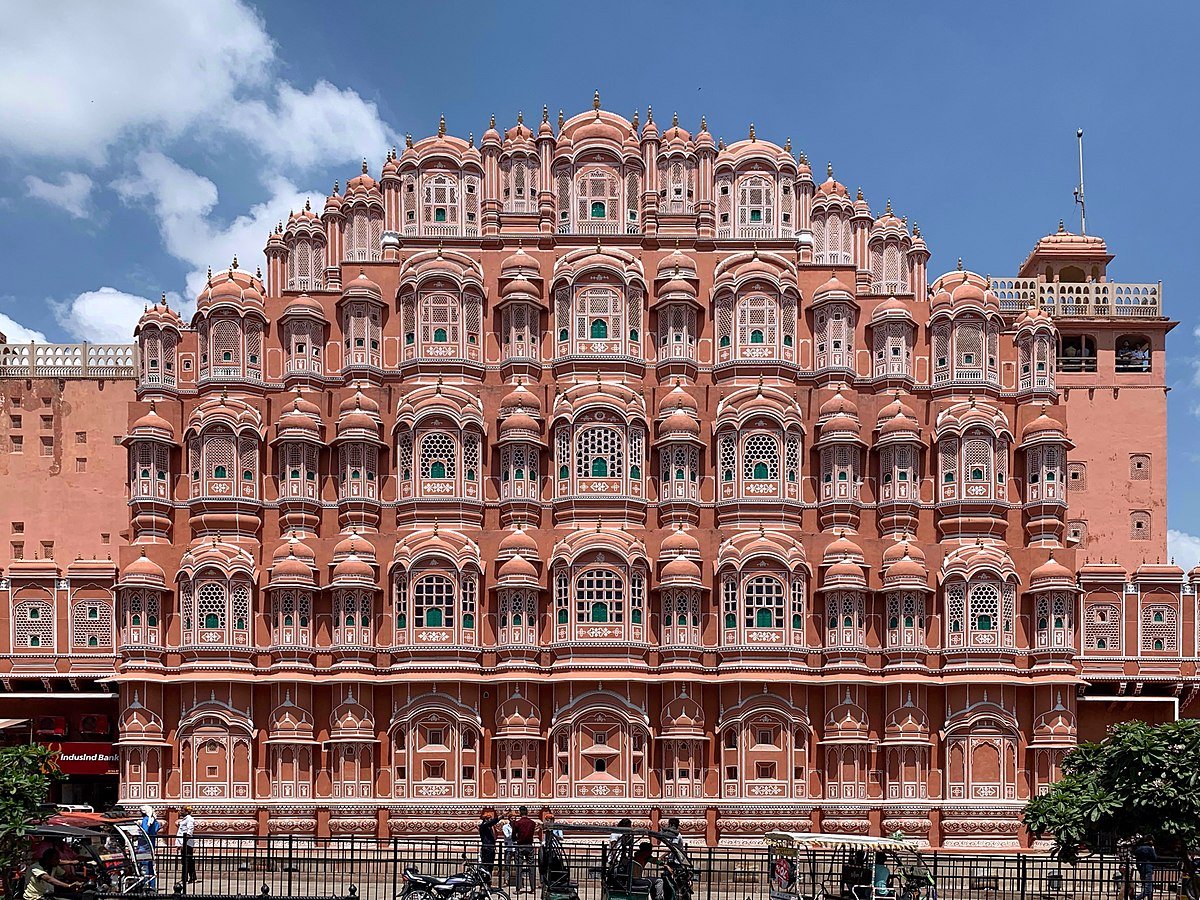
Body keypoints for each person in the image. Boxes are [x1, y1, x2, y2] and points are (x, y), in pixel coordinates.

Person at [513, 805, 538, 894]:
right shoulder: (532, 823)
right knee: (531, 867)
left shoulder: (517, 823)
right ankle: (533, 888)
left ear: (520, 812)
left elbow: (513, 836)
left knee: (519, 866)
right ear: (527, 812)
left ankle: (518, 889)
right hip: (529, 846)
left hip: (520, 846)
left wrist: (516, 838)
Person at [139, 805, 161, 888]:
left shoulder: (145, 820)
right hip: (151, 845)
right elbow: (157, 828)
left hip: (144, 846)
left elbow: (144, 831)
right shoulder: (154, 820)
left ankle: (144, 884)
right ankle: (152, 885)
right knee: (151, 866)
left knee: (144, 866)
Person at [176, 806, 197, 885]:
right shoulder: (185, 819)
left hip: (186, 843)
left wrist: (183, 843)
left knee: (186, 862)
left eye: (182, 811)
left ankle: (184, 879)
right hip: (184, 843)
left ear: (187, 812)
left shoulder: (190, 819)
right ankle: (192, 877)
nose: (181, 812)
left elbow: (189, 831)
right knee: (188, 861)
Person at [478, 808, 502, 879]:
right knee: (486, 865)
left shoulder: (490, 827)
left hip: (491, 848)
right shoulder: (483, 826)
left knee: (490, 865)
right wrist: (500, 817)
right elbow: (491, 823)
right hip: (486, 848)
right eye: (489, 818)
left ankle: (488, 881)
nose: (490, 820)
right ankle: (484, 881)